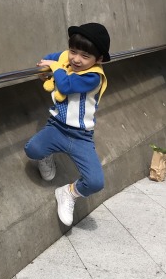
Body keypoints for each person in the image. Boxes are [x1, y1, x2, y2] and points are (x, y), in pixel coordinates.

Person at [24, 22, 110, 227]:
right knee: (32, 149)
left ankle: (68, 193)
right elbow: (53, 59)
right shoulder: (67, 58)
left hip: (82, 137)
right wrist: (47, 67)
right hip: (57, 127)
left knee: (96, 182)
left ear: (98, 60)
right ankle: (47, 156)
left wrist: (56, 70)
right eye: (73, 51)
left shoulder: (94, 77)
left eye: (85, 56)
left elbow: (66, 84)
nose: (76, 59)